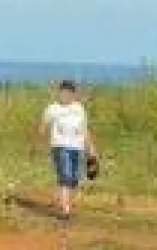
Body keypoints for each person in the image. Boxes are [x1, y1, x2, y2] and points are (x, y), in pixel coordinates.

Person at [41, 80, 99, 221]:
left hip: (77, 147)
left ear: (73, 94)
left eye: (67, 93)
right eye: (62, 92)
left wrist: (91, 149)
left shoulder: (79, 108)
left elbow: (84, 129)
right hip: (60, 146)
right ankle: (65, 211)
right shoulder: (52, 109)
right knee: (65, 175)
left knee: (74, 178)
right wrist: (38, 143)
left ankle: (65, 202)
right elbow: (43, 126)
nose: (64, 95)